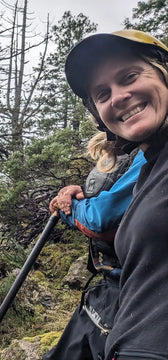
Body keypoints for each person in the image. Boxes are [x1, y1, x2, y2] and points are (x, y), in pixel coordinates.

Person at [64, 29, 168, 359]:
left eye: (130, 76)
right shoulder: (150, 164)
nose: (119, 96)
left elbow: (101, 217)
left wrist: (69, 208)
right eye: (102, 93)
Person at [43, 133, 145, 360]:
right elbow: (117, 195)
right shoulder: (139, 151)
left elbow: (101, 220)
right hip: (114, 282)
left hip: (132, 287)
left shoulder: (153, 153)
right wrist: (83, 192)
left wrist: (71, 209)